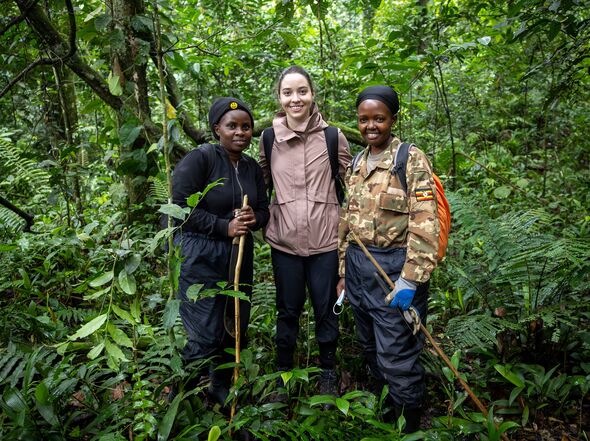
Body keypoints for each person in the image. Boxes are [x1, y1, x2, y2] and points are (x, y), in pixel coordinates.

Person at [337, 85, 439, 432]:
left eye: (378, 119)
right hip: (358, 268)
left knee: (397, 353)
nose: (371, 126)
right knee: (370, 346)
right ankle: (385, 412)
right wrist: (342, 272)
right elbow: (346, 223)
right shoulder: (357, 162)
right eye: (364, 119)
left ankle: (409, 421)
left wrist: (411, 278)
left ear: (392, 119)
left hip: (393, 269)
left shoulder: (409, 159)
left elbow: (426, 221)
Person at [259, 66, 351, 395]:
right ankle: (284, 373)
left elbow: (352, 185)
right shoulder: (268, 138)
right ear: (279, 98)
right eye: (288, 93)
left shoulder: (332, 136)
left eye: (302, 91)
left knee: (326, 308)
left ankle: (327, 372)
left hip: (326, 240)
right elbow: (260, 186)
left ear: (313, 94)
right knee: (287, 309)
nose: (295, 99)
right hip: (284, 241)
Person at [172, 97, 269, 406]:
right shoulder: (200, 159)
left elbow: (264, 209)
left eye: (246, 127)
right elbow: (177, 209)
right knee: (204, 333)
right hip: (200, 255)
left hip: (239, 256)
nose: (240, 132)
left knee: (233, 324)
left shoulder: (252, 167)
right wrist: (222, 226)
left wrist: (255, 219)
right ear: (217, 129)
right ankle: (178, 396)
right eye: (232, 126)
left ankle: (221, 387)